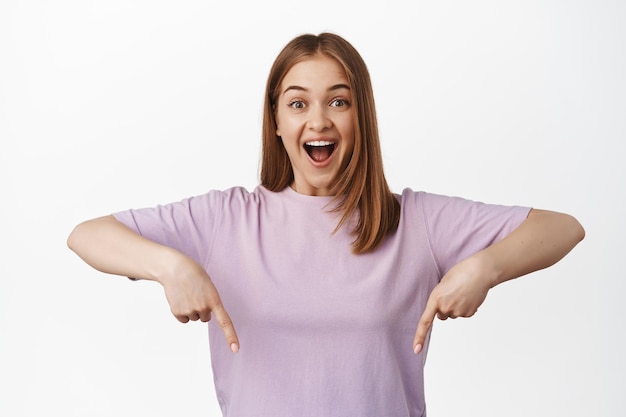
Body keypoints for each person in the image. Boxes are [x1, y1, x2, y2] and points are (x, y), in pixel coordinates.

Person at [67, 32, 584, 417]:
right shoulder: (226, 220)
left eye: (339, 101)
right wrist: (169, 267)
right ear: (276, 122)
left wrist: (484, 268)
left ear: (362, 116)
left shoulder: (416, 221)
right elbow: (86, 235)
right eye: (298, 103)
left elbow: (563, 228)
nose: (318, 121)